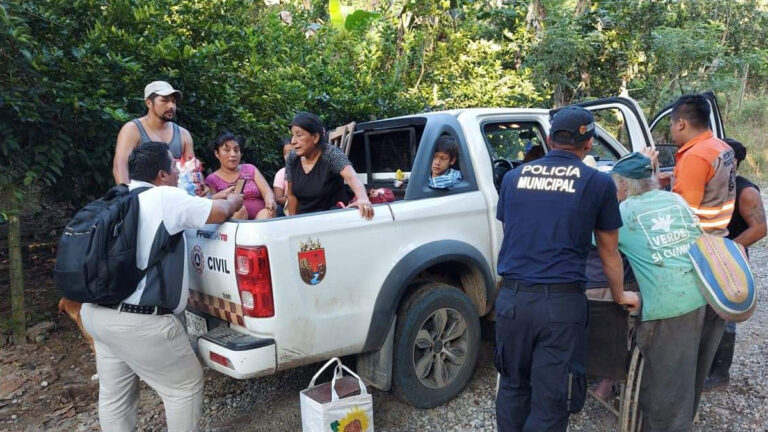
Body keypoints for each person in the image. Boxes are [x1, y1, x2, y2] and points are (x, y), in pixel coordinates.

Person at [81, 142, 243, 432]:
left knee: (115, 397)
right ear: (162, 174)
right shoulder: (166, 197)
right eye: (174, 168)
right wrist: (236, 199)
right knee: (184, 387)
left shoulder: (118, 198)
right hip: (140, 322)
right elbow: (221, 211)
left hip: (96, 314)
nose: (177, 173)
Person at [494, 106, 639, 432]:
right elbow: (609, 251)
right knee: (551, 401)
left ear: (548, 139)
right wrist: (620, 295)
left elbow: (513, 233)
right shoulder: (598, 183)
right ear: (588, 144)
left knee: (513, 388)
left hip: (512, 302)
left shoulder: (512, 178)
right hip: (560, 308)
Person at [610, 152, 724, 431]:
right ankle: (684, 419)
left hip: (671, 308)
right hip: (709, 296)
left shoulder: (623, 213)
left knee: (664, 394)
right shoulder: (676, 199)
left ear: (622, 187)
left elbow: (597, 245)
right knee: (690, 378)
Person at [705, 138, 767, 391]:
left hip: (730, 261)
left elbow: (761, 228)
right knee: (708, 314)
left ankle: (720, 375)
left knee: (725, 316)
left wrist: (728, 250)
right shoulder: (717, 186)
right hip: (710, 258)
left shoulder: (745, 191)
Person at [669, 93, 737, 237]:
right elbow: (712, 184)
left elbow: (683, 213)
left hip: (699, 239)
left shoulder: (695, 157)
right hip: (719, 232)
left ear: (681, 124)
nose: (672, 130)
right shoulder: (723, 148)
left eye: (671, 124)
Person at [284, 112, 373, 219]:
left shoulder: (330, 154)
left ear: (315, 137)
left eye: (299, 135)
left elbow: (351, 177)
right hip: (305, 219)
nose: (293, 141)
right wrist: (292, 222)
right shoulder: (292, 158)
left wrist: (362, 198)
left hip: (332, 218)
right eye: (292, 135)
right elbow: (291, 195)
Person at [113, 81, 196, 186]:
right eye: (164, 101)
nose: (171, 106)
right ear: (149, 103)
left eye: (173, 101)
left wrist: (199, 185)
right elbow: (120, 166)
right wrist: (126, 196)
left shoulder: (183, 134)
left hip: (175, 197)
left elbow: (192, 170)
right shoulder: (132, 129)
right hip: (141, 197)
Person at [205, 131, 276, 220]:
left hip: (260, 220)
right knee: (238, 210)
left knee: (267, 213)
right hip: (231, 225)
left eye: (236, 150)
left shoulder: (250, 168)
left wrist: (270, 201)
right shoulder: (211, 180)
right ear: (217, 153)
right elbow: (212, 208)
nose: (233, 154)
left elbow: (267, 191)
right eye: (227, 150)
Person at [272, 138, 292, 207]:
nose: (287, 156)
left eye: (290, 152)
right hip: (286, 206)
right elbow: (278, 199)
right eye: (285, 153)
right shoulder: (280, 174)